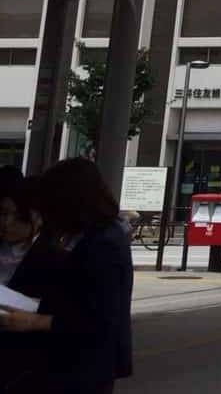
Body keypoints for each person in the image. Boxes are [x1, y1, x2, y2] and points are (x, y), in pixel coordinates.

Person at [0, 158, 133, 393]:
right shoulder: (97, 236)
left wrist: (34, 320)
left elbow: (99, 319)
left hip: (81, 368)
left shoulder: (103, 245)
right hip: (76, 364)